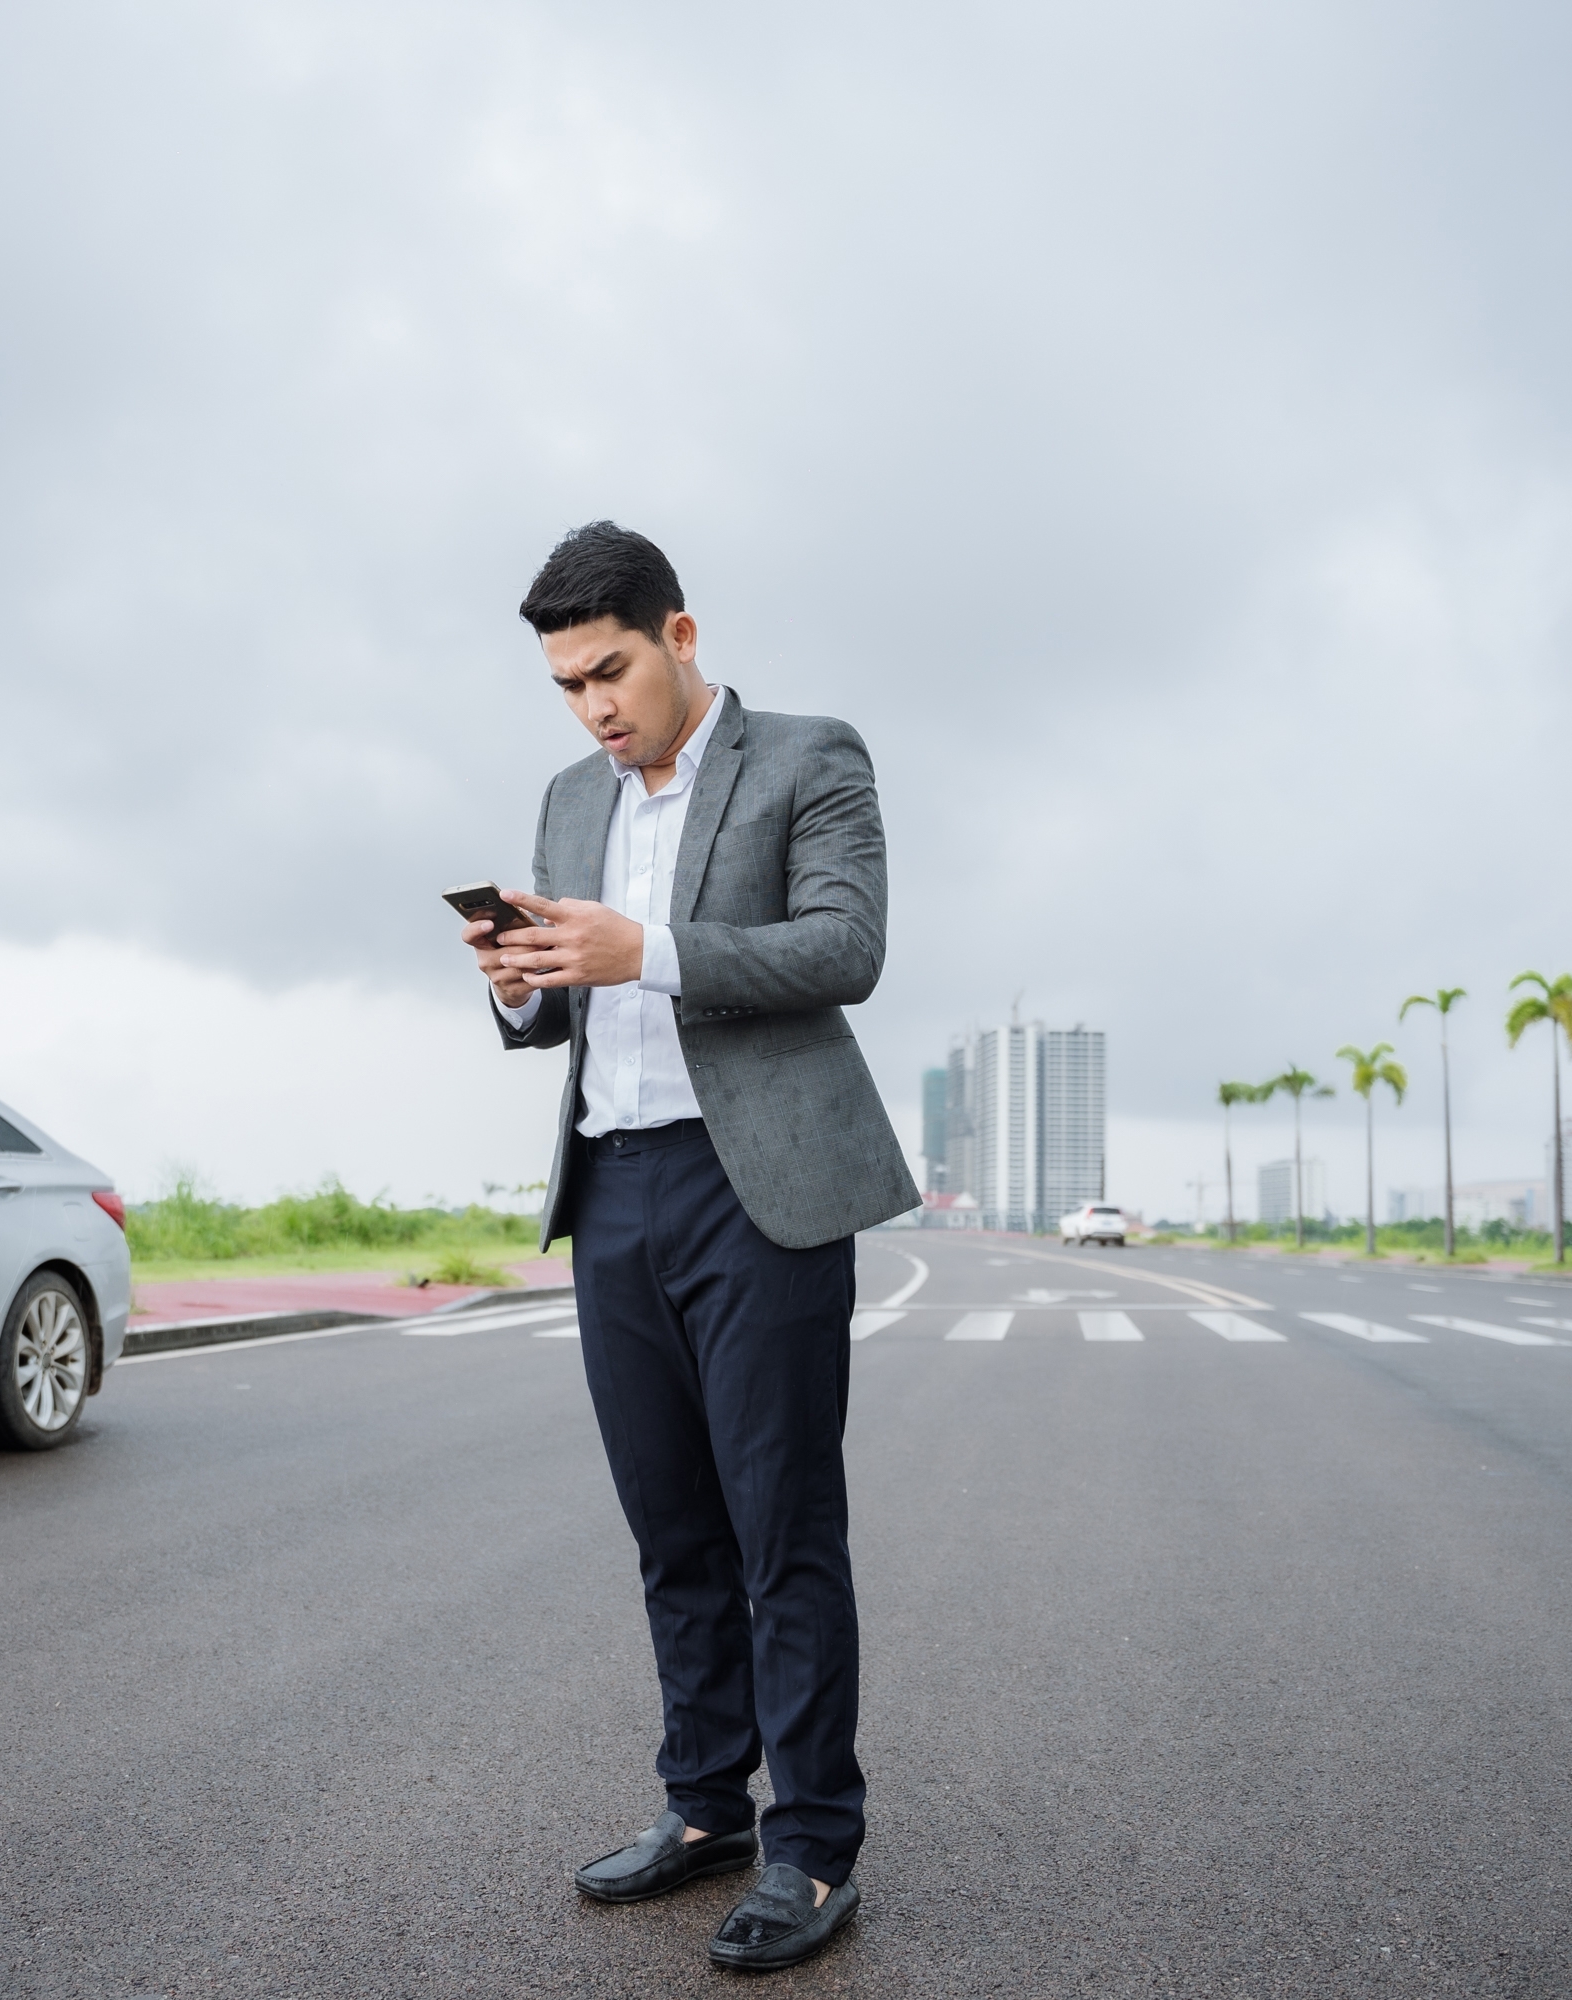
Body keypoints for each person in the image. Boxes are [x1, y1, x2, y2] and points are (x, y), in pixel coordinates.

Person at [460, 521, 920, 1973]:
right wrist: (521, 983)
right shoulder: (564, 797)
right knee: (672, 1530)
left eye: (610, 669)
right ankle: (708, 1809)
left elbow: (845, 947)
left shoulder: (808, 756)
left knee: (782, 1527)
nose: (594, 706)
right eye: (566, 684)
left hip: (756, 1190)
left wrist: (641, 947)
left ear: (681, 636)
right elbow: (559, 1007)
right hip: (615, 1190)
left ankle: (814, 1847)